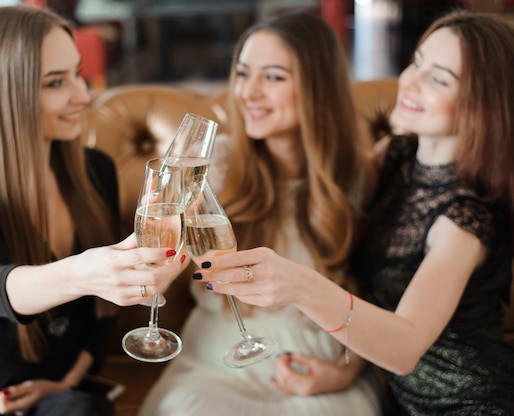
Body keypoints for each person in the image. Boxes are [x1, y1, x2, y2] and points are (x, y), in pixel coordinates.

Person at [193, 10, 514, 415]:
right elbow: (320, 170)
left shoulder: (466, 220)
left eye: (438, 79)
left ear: (483, 106)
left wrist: (300, 286)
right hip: (401, 402)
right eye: (416, 62)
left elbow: (403, 348)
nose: (409, 81)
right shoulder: (395, 157)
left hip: (470, 404)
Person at [0, 6, 184, 416]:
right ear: (7, 95)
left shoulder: (96, 170)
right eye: (56, 82)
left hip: (63, 387)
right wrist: (91, 272)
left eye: (77, 72)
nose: (83, 93)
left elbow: (99, 318)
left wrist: (65, 382)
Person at [139, 10, 382, 416]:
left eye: (272, 77)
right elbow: (164, 263)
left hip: (317, 372)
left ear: (318, 88)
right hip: (217, 366)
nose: (248, 93)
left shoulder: (361, 174)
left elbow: (376, 291)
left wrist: (345, 371)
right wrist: (154, 265)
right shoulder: (213, 167)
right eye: (242, 73)